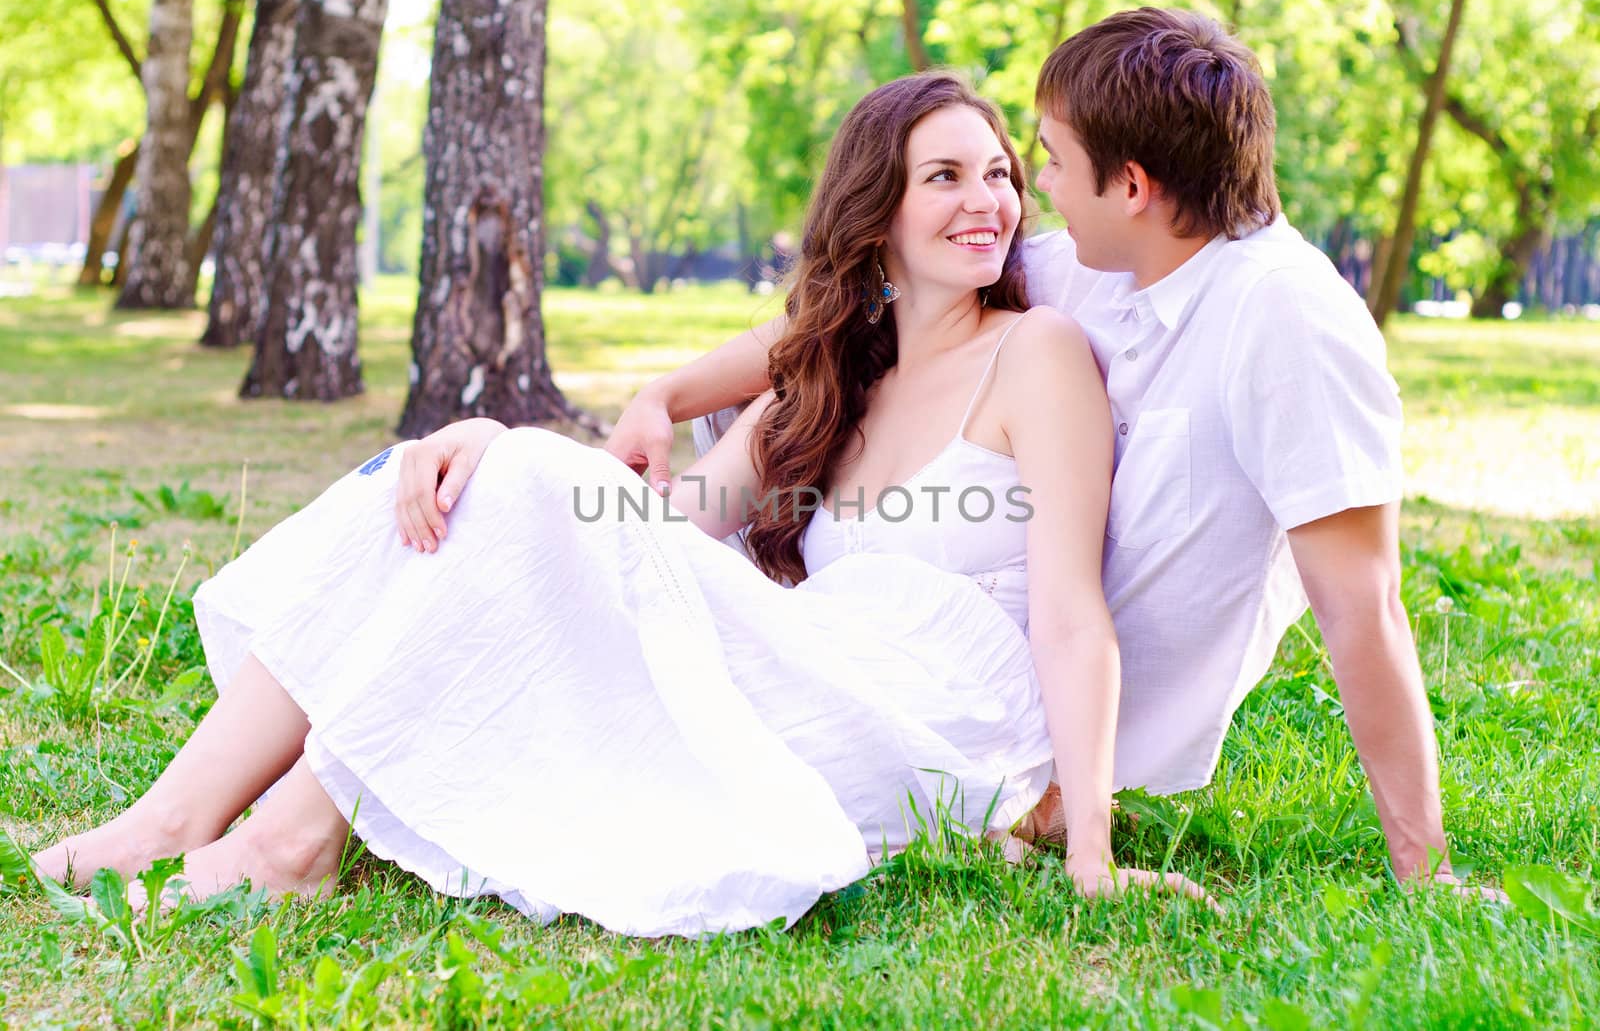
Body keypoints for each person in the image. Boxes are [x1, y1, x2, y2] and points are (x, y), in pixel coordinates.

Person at [34, 73, 1210, 936]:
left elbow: (1068, 610)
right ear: (879, 215)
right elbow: (636, 531)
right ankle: (180, 813)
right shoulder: (830, 375)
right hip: (812, 661)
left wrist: (1089, 844)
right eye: (943, 176)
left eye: (1001, 172)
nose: (988, 201)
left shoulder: (1038, 352)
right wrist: (488, 445)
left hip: (931, 711)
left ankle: (291, 837)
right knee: (465, 478)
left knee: (512, 478)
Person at [580, 9, 1486, 891]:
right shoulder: (1082, 264)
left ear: (1132, 186)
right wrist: (667, 394)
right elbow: (852, 302)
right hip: (920, 679)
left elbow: (1365, 609)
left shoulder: (1289, 324)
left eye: (1047, 163)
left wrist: (1425, 868)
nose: (1030, 194)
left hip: (987, 709)